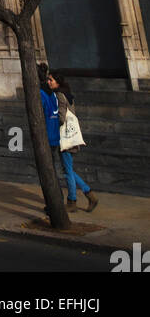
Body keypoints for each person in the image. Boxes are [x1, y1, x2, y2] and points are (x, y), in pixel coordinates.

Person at [44, 70, 98, 212]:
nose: (48, 82)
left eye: (51, 80)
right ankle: (89, 194)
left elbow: (62, 117)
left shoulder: (59, 95)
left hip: (65, 138)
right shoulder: (67, 93)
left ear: (57, 82)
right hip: (71, 136)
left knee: (67, 171)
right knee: (68, 169)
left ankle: (72, 201)